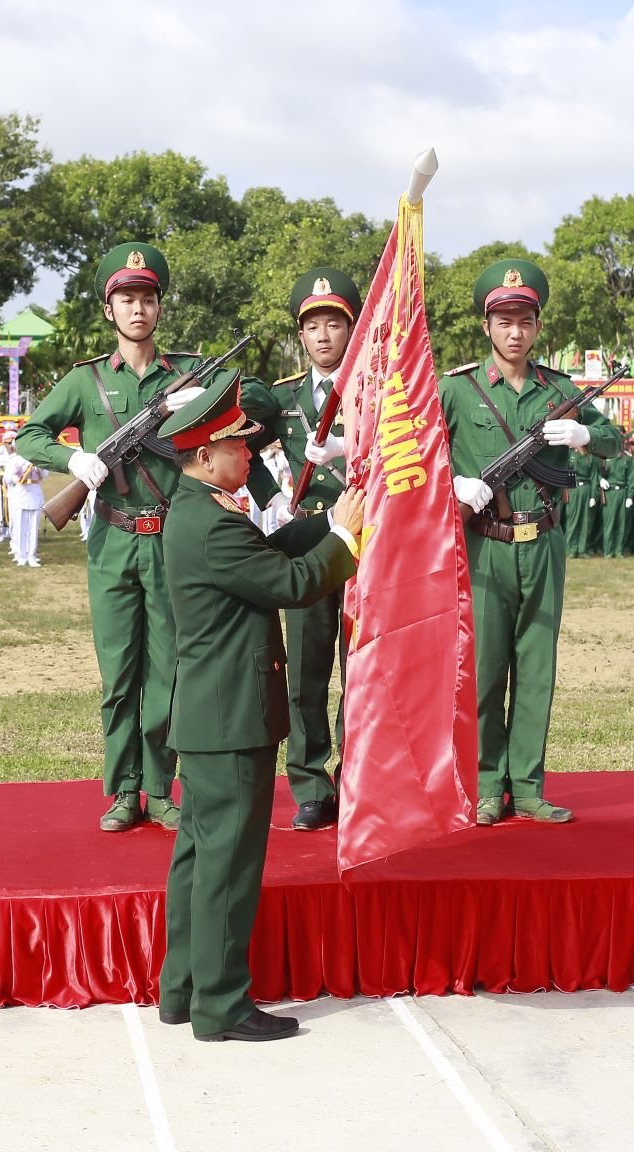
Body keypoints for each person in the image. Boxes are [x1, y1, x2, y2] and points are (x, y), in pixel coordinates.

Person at [155, 375, 363, 1042]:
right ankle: (220, 1006)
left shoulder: (206, 510)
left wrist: (331, 522)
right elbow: (295, 583)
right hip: (231, 719)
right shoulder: (212, 525)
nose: (253, 455)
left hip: (215, 715)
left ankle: (183, 990)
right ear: (204, 454)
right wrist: (350, 540)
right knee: (227, 870)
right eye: (239, 447)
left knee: (197, 858)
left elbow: (271, 551)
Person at [14, 242, 215, 832]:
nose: (137, 309)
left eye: (147, 298)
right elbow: (28, 435)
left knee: (168, 671)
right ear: (109, 309)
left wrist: (195, 409)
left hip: (170, 540)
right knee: (119, 672)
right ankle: (124, 788)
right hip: (113, 539)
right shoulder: (86, 381)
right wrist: (71, 459)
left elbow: (246, 405)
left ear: (158, 307)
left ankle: (161, 786)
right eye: (126, 298)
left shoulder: (185, 376)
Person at [439, 259, 622, 825]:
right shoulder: (458, 390)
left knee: (537, 666)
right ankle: (489, 784)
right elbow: (416, 461)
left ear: (538, 326)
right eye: (504, 321)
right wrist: (455, 485)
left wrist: (588, 433)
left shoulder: (561, 390)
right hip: (486, 545)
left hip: (542, 544)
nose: (514, 332)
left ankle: (530, 785)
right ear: (487, 327)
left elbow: (617, 440)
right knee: (487, 668)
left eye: (524, 320)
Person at [239, 267, 362, 831]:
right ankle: (312, 782)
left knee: (363, 669)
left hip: (367, 543)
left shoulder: (377, 393)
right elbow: (242, 449)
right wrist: (275, 497)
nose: (323, 336)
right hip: (310, 547)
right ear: (300, 335)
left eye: (333, 323)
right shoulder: (284, 398)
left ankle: (360, 777)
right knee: (307, 669)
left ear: (351, 328)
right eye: (312, 326)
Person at [7, 440, 47, 568]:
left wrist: (38, 467)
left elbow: (45, 475)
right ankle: (21, 556)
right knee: (20, 528)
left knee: (33, 528)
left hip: (34, 495)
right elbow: (7, 478)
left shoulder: (37, 459)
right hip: (20, 495)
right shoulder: (14, 460)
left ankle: (32, 555)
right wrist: (18, 476)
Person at [0, 431, 19, 544]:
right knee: (3, 509)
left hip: (17, 487)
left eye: (12, 442)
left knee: (15, 509)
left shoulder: (19, 456)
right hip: (4, 487)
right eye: (7, 443)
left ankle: (15, 533)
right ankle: (2, 533)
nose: (10, 445)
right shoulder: (0, 458)